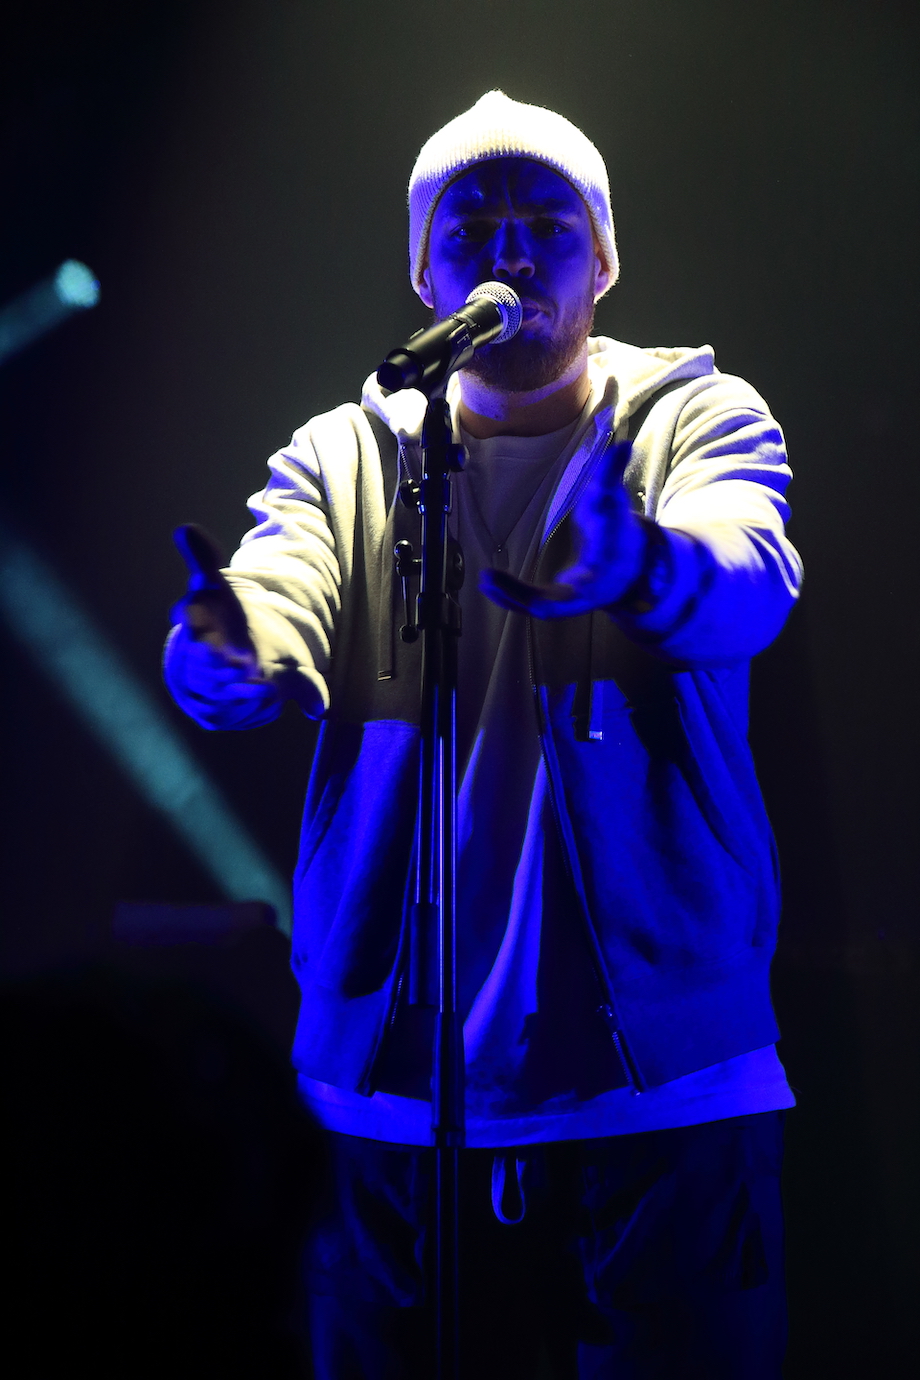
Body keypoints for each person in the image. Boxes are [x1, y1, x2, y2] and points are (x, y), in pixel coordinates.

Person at [165, 91, 803, 1379]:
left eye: (547, 224)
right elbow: (271, 598)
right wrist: (226, 652)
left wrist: (640, 564)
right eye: (471, 227)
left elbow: (750, 574)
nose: (511, 248)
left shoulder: (692, 419)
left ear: (603, 259)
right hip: (387, 1098)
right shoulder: (345, 456)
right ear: (426, 273)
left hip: (662, 1093)